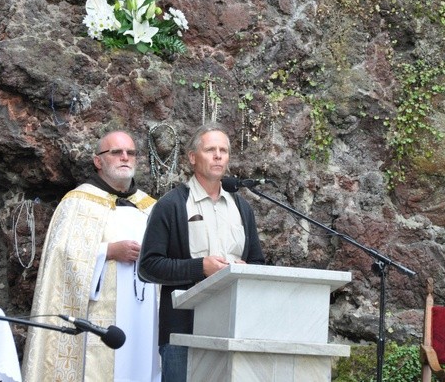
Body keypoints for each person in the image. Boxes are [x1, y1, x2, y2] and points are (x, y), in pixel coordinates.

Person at [22, 130, 160, 382]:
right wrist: (109, 250)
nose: (124, 158)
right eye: (116, 152)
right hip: (98, 314)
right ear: (98, 161)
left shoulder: (150, 206)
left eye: (130, 153)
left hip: (144, 312)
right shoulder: (78, 202)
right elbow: (61, 256)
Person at [138, 123, 265, 382]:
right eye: (210, 150)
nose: (218, 155)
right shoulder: (171, 205)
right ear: (193, 158)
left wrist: (246, 270)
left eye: (224, 150)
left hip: (233, 328)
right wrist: (201, 267)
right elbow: (148, 267)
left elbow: (257, 262)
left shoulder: (242, 207)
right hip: (183, 332)